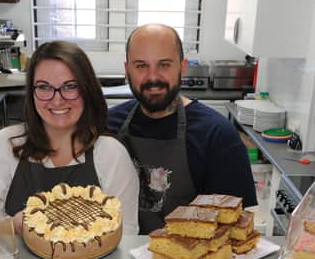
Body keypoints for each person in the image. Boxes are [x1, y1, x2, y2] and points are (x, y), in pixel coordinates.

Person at [0, 41, 139, 234]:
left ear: (87, 90)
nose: (57, 99)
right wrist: (14, 226)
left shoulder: (112, 155)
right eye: (44, 87)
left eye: (70, 86)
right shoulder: (3, 145)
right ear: (31, 93)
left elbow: (125, 236)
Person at [108, 24, 257, 234]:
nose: (153, 77)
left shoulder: (217, 136)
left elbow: (233, 230)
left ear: (183, 67)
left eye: (164, 65)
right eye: (141, 65)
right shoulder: (107, 127)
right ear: (127, 69)